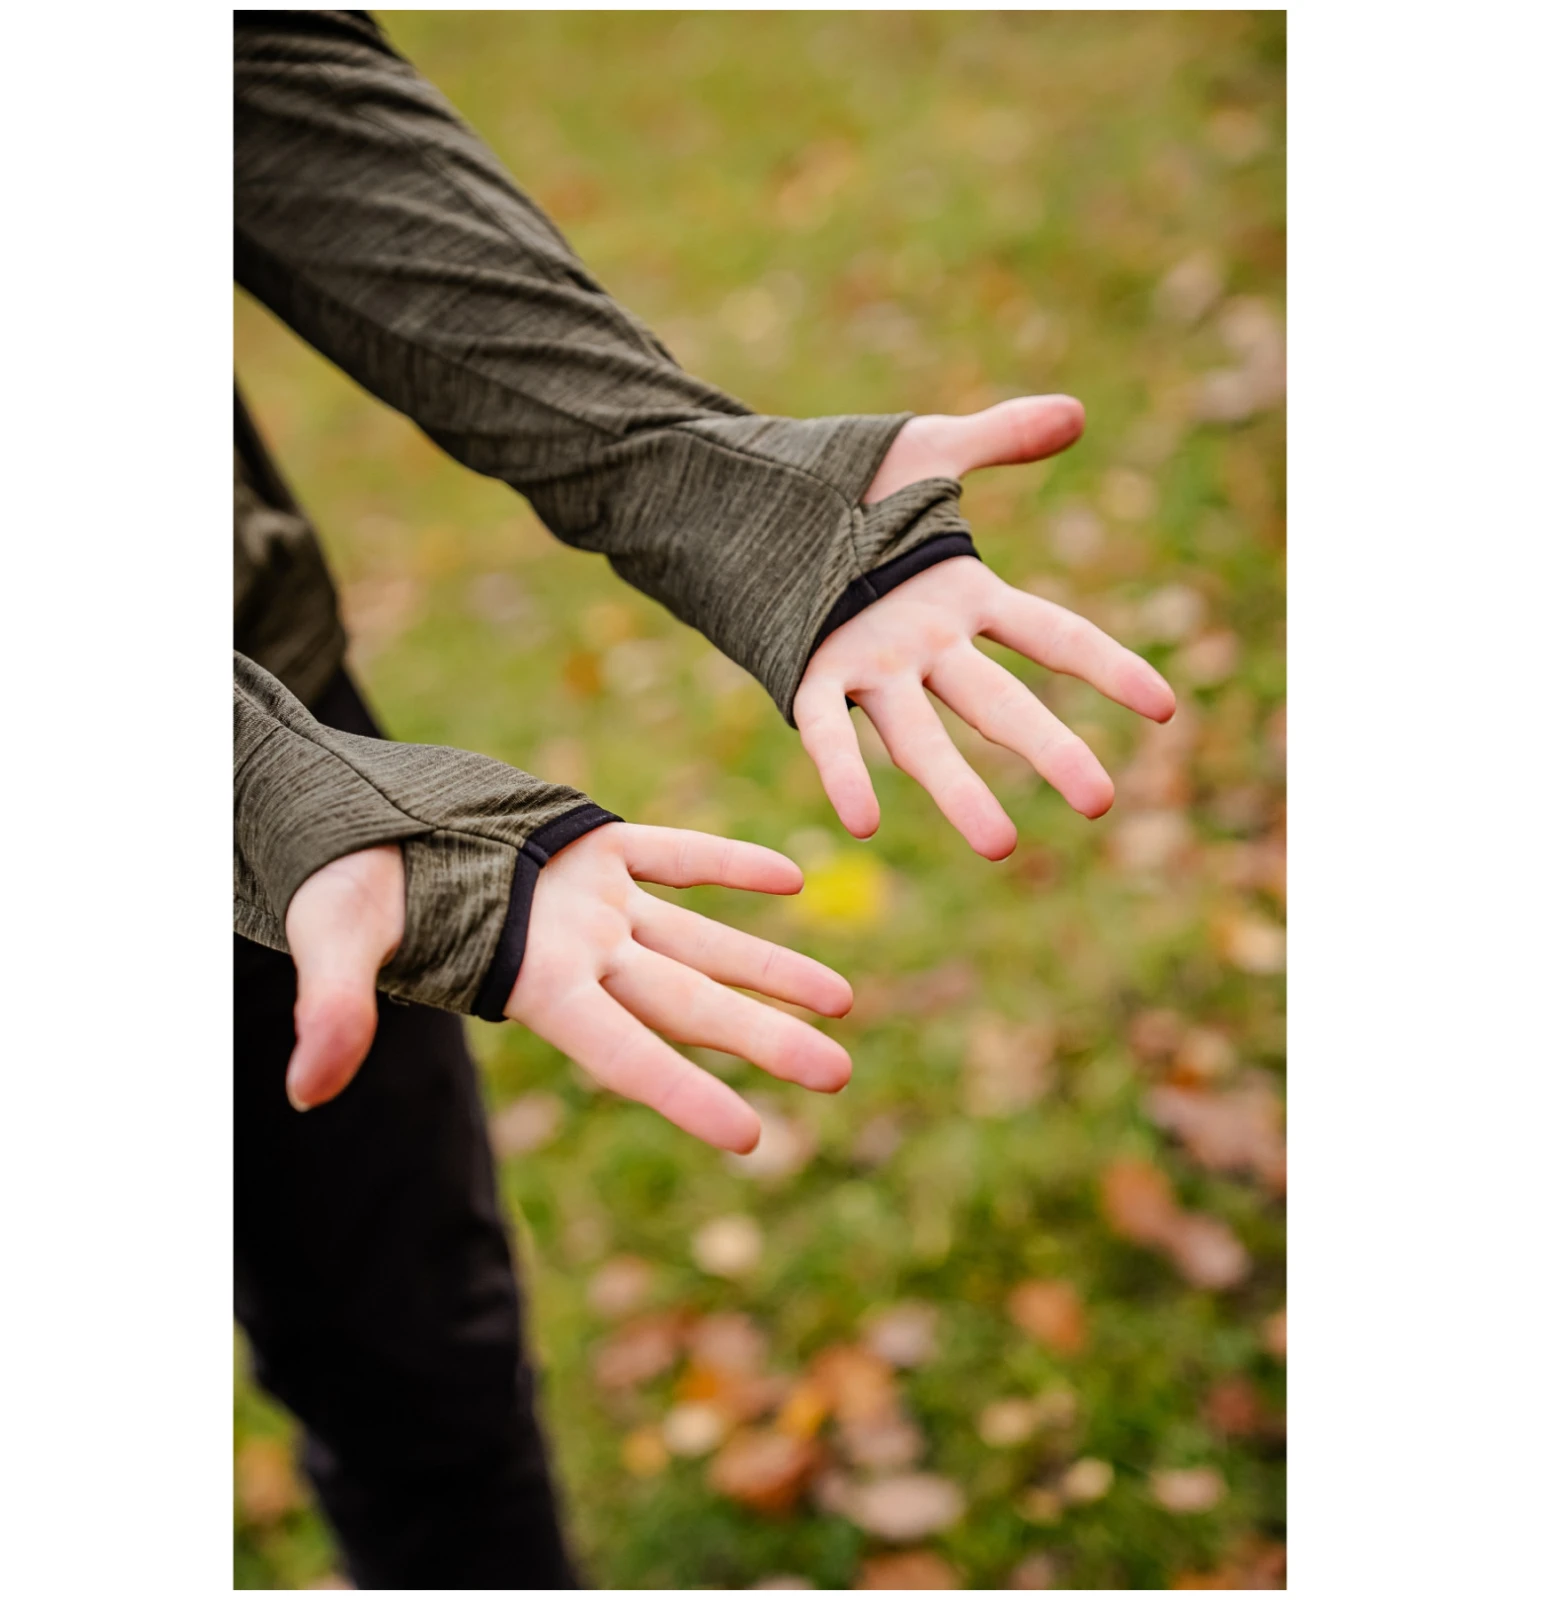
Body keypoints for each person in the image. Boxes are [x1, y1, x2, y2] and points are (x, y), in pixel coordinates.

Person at [233, 11, 1177, 1588]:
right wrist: (254, 788)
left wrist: (709, 484)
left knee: (415, 1360)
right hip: (306, 805)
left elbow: (246, 79)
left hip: (305, 759)